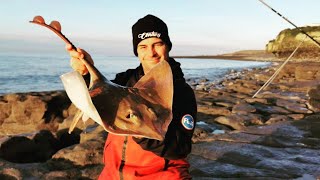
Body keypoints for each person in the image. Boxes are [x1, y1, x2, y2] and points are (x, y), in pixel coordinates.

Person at [66, 14, 197, 180]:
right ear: (137, 51)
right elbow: (95, 99)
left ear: (168, 47)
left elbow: (180, 149)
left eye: (158, 44)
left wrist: (141, 128)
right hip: (113, 173)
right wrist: (85, 72)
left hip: (160, 175)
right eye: (143, 47)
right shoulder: (125, 80)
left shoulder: (181, 92)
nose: (151, 53)